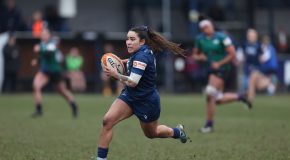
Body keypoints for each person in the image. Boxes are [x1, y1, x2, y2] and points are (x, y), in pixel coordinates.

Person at [94, 26, 189, 160]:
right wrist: (124, 62)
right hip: (130, 96)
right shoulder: (142, 52)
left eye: (132, 39)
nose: (128, 42)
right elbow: (135, 64)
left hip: (147, 101)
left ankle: (177, 132)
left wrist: (116, 74)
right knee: (107, 121)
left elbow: (133, 82)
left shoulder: (142, 56)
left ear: (142, 42)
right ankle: (101, 158)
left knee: (152, 133)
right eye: (127, 39)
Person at [192, 19, 252, 134]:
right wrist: (201, 57)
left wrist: (219, 64)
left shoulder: (222, 37)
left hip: (223, 69)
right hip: (210, 70)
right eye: (204, 27)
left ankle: (209, 125)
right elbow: (195, 55)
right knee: (218, 99)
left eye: (208, 26)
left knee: (210, 93)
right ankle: (241, 97)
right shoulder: (200, 39)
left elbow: (232, 54)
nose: (207, 29)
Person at [31, 28, 78, 118]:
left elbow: (49, 53)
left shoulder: (52, 44)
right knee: (36, 86)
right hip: (44, 71)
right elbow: (43, 57)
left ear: (49, 35)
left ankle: (73, 105)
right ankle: (39, 110)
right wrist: (37, 61)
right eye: (42, 34)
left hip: (55, 71)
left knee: (62, 91)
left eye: (45, 34)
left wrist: (39, 48)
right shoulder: (42, 44)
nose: (43, 35)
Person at [247, 35, 279, 102]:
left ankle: (269, 84)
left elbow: (265, 58)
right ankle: (270, 85)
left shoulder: (268, 48)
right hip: (272, 67)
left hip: (269, 67)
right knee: (259, 80)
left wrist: (257, 59)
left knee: (257, 78)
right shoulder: (270, 47)